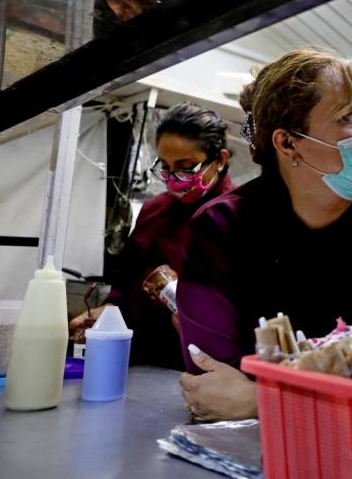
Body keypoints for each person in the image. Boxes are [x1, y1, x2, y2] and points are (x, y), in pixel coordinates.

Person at [177, 50, 352, 421]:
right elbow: (212, 377)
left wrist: (262, 401)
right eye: (351, 116)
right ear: (287, 143)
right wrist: (330, 396)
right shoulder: (220, 227)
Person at [69, 103, 233, 370]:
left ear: (220, 160)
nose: (174, 178)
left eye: (186, 167)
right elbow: (127, 275)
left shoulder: (235, 217)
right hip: (139, 355)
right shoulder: (154, 209)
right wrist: (111, 309)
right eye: (166, 167)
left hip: (197, 363)